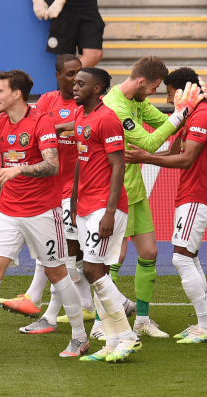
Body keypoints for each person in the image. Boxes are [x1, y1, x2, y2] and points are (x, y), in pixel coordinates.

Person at [0, 70, 88, 362]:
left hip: (43, 212)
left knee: (57, 272)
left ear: (17, 94)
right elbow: (6, 161)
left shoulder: (41, 121)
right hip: (9, 211)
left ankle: (80, 337)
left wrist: (20, 170)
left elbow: (52, 165)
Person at [101, 56, 202, 340]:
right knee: (112, 258)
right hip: (115, 191)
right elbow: (147, 142)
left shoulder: (139, 101)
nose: (157, 94)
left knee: (149, 253)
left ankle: (142, 319)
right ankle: (102, 322)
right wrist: (180, 115)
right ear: (142, 81)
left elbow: (165, 123)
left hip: (136, 190)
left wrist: (193, 111)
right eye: (156, 87)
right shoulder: (116, 106)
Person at [0, 55, 96, 334]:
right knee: (61, 254)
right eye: (70, 74)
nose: (76, 80)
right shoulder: (47, 102)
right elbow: (28, 128)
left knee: (69, 256)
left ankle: (52, 308)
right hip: (52, 189)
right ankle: (62, 307)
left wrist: (62, 128)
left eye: (80, 74)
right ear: (57, 76)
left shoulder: (86, 105)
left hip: (79, 188)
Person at [124, 67, 207, 344]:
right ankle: (205, 323)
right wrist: (179, 121)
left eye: (169, 93)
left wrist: (145, 157)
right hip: (192, 194)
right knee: (188, 257)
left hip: (197, 194)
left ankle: (206, 325)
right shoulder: (196, 114)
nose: (168, 99)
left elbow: (186, 159)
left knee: (181, 257)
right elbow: (177, 150)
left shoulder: (202, 115)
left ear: (181, 91)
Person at [70, 67, 138, 363]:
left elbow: (118, 166)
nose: (75, 87)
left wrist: (109, 212)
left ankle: (128, 336)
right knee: (96, 272)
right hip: (85, 205)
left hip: (104, 206)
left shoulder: (108, 118)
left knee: (93, 270)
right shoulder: (81, 117)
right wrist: (73, 200)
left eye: (81, 84)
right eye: (74, 83)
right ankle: (112, 342)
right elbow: (79, 162)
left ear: (97, 89)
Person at [31, 0, 104, 67]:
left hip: (85, 2)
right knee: (66, 58)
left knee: (94, 55)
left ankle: (67, 76)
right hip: (62, 5)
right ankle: (68, 76)